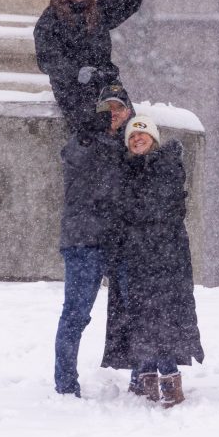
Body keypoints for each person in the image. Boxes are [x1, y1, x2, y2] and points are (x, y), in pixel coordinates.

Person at [111, 115, 204, 408]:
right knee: (139, 316)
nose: (137, 139)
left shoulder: (165, 166)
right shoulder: (126, 169)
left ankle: (169, 379)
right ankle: (149, 378)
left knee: (159, 317)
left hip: (163, 258)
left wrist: (135, 217)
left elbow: (158, 209)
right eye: (132, 136)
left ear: (153, 139)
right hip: (135, 257)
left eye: (143, 135)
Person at [54, 84, 134, 397]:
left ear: (128, 112)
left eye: (119, 108)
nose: (113, 114)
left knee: (138, 309)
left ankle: (142, 377)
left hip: (120, 240)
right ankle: (64, 383)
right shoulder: (83, 139)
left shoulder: (132, 144)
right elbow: (75, 161)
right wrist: (91, 132)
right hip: (84, 240)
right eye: (107, 108)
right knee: (75, 314)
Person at [34, 0, 149, 138]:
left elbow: (129, 4)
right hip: (71, 88)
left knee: (128, 128)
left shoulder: (99, 12)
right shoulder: (50, 19)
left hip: (105, 81)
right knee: (94, 131)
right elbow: (46, 59)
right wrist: (75, 72)